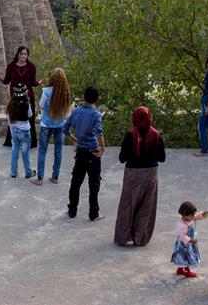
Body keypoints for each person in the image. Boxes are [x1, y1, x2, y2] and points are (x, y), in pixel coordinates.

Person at [114, 106, 166, 246]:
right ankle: (140, 237)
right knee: (146, 206)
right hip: (150, 174)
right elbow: (162, 158)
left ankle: (123, 236)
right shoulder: (156, 135)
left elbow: (122, 158)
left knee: (128, 205)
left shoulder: (130, 135)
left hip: (133, 174)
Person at [63, 85, 105, 221]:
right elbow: (99, 133)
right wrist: (101, 149)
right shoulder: (96, 114)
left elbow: (65, 129)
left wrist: (76, 140)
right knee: (94, 184)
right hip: (93, 152)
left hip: (81, 152)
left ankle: (72, 210)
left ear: (83, 97)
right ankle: (94, 213)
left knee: (76, 182)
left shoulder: (75, 112)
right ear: (97, 99)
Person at [31, 68, 73, 186]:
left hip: (46, 124)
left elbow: (41, 105)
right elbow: (68, 110)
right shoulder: (66, 93)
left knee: (42, 151)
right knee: (58, 151)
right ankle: (55, 177)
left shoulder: (46, 91)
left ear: (52, 78)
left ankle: (40, 178)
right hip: (60, 124)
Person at [0, 46, 42, 148]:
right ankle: (11, 141)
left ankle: (31, 142)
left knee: (29, 119)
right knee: (13, 118)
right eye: (21, 53)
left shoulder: (31, 67)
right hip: (15, 98)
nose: (23, 56)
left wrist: (39, 82)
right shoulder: (11, 66)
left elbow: (33, 83)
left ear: (27, 56)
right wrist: (1, 78)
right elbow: (6, 81)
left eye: (25, 54)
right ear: (18, 54)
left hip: (28, 97)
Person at [171, 200, 208, 277]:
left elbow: (197, 216)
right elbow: (182, 236)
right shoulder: (182, 224)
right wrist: (191, 240)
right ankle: (187, 271)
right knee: (186, 256)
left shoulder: (191, 218)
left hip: (190, 243)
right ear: (184, 215)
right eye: (192, 215)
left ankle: (180, 269)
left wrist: (204, 213)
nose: (194, 216)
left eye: (194, 214)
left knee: (187, 256)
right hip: (184, 244)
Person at [6, 84, 34, 179]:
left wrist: (12, 129)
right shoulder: (26, 104)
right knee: (25, 153)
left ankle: (14, 172)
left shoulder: (11, 104)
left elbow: (9, 120)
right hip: (24, 131)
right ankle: (28, 173)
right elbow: (30, 115)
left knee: (15, 151)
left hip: (14, 130)